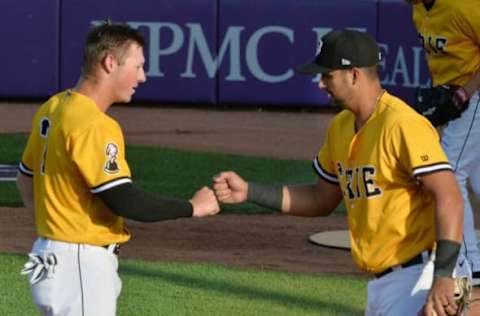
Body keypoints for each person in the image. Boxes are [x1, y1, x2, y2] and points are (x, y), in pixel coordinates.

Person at [213, 29, 471, 315]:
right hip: (382, 284)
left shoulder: (402, 124)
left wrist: (443, 275)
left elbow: (449, 196)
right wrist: (249, 191)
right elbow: (320, 198)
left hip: (420, 274)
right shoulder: (340, 128)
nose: (321, 84)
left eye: (327, 75)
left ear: (354, 75)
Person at [16, 20, 220, 316]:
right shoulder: (96, 124)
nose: (143, 76)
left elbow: (25, 179)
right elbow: (123, 198)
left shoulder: (54, 107)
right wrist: (193, 207)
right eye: (137, 66)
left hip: (49, 256)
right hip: (79, 264)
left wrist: (53, 232)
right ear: (110, 63)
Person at [406, 0, 480, 292]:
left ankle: (471, 263)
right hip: (457, 94)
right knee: (475, 177)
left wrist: (464, 92)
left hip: (475, 94)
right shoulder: (418, 9)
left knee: (448, 173)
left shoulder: (465, 6)